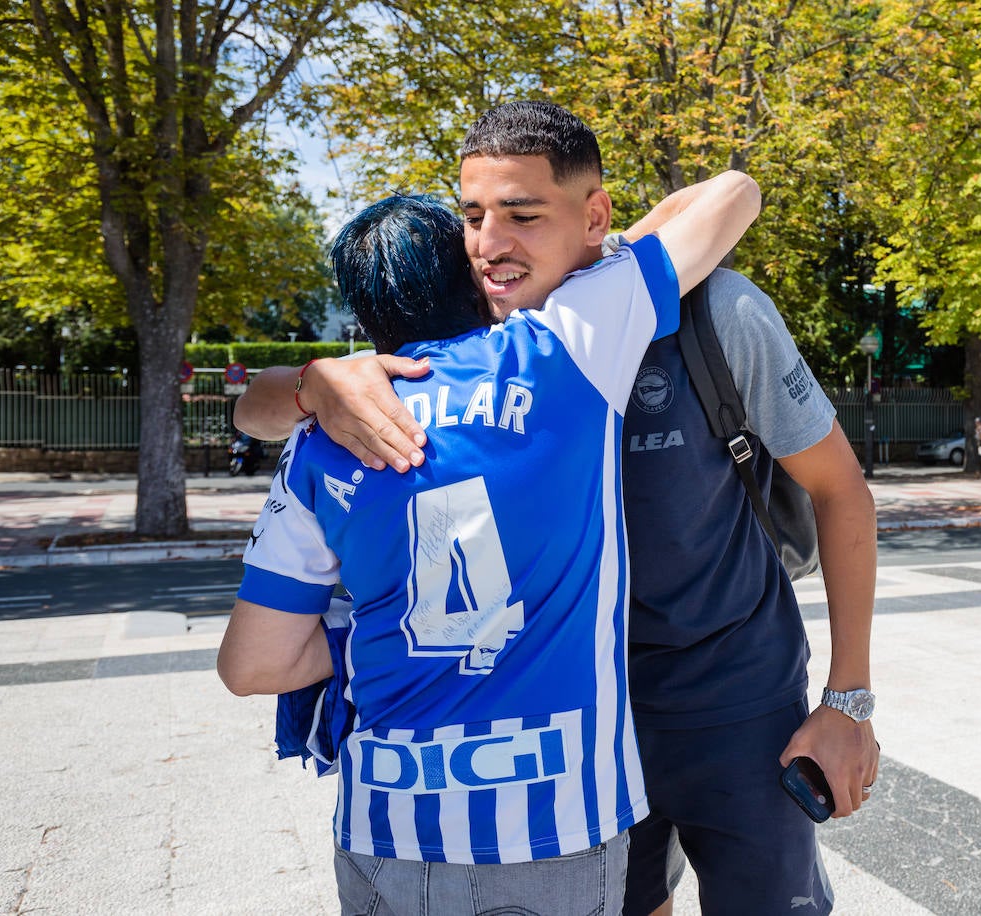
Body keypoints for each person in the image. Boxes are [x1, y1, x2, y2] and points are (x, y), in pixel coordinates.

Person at [233, 100, 878, 916]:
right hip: (583, 727)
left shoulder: (707, 311)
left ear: (594, 217)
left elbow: (841, 489)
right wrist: (314, 383)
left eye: (523, 215)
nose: (489, 244)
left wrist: (848, 700)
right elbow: (253, 411)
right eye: (472, 217)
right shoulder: (455, 359)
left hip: (733, 699)